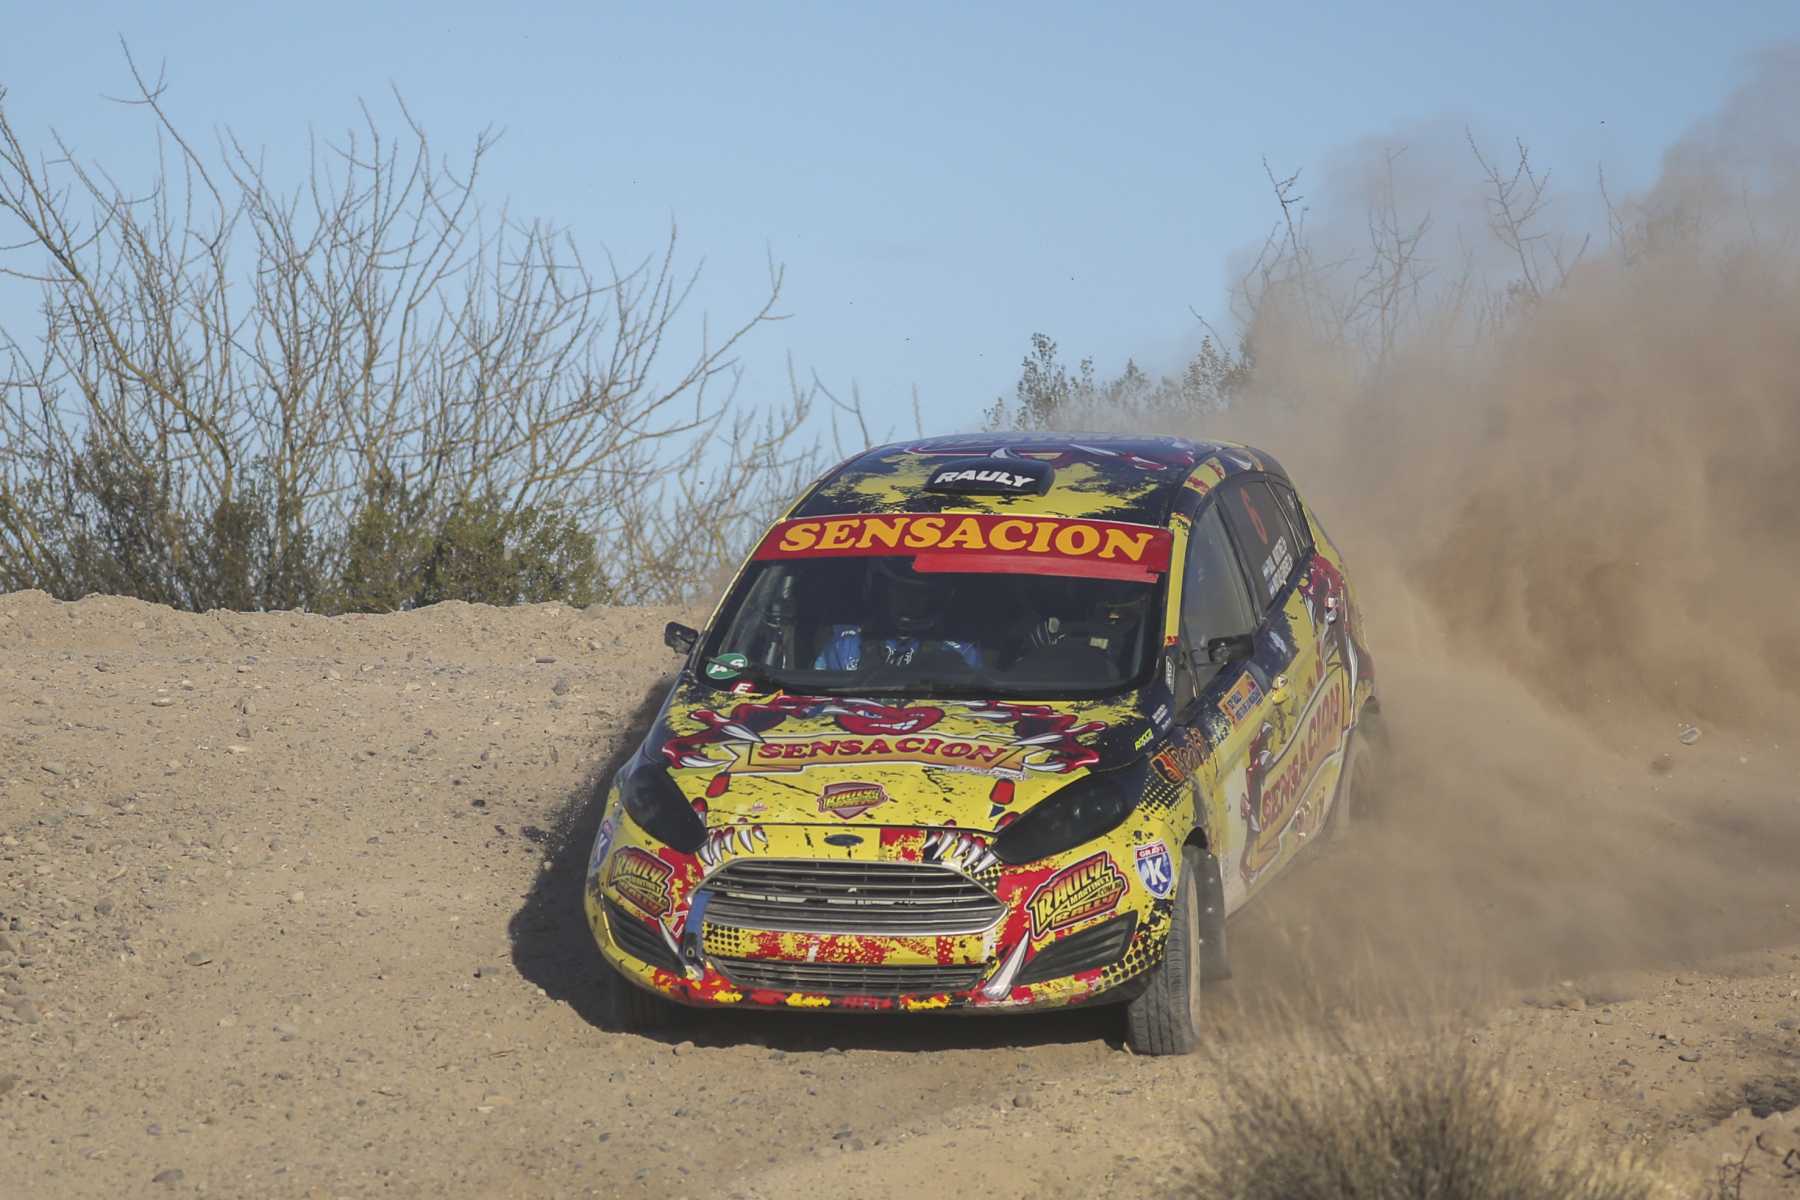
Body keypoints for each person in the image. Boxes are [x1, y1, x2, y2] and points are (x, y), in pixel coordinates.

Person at [814, 559, 981, 671]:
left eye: (921, 594)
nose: (911, 602)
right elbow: (815, 709)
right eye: (902, 592)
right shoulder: (846, 645)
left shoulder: (962, 651)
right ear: (883, 593)